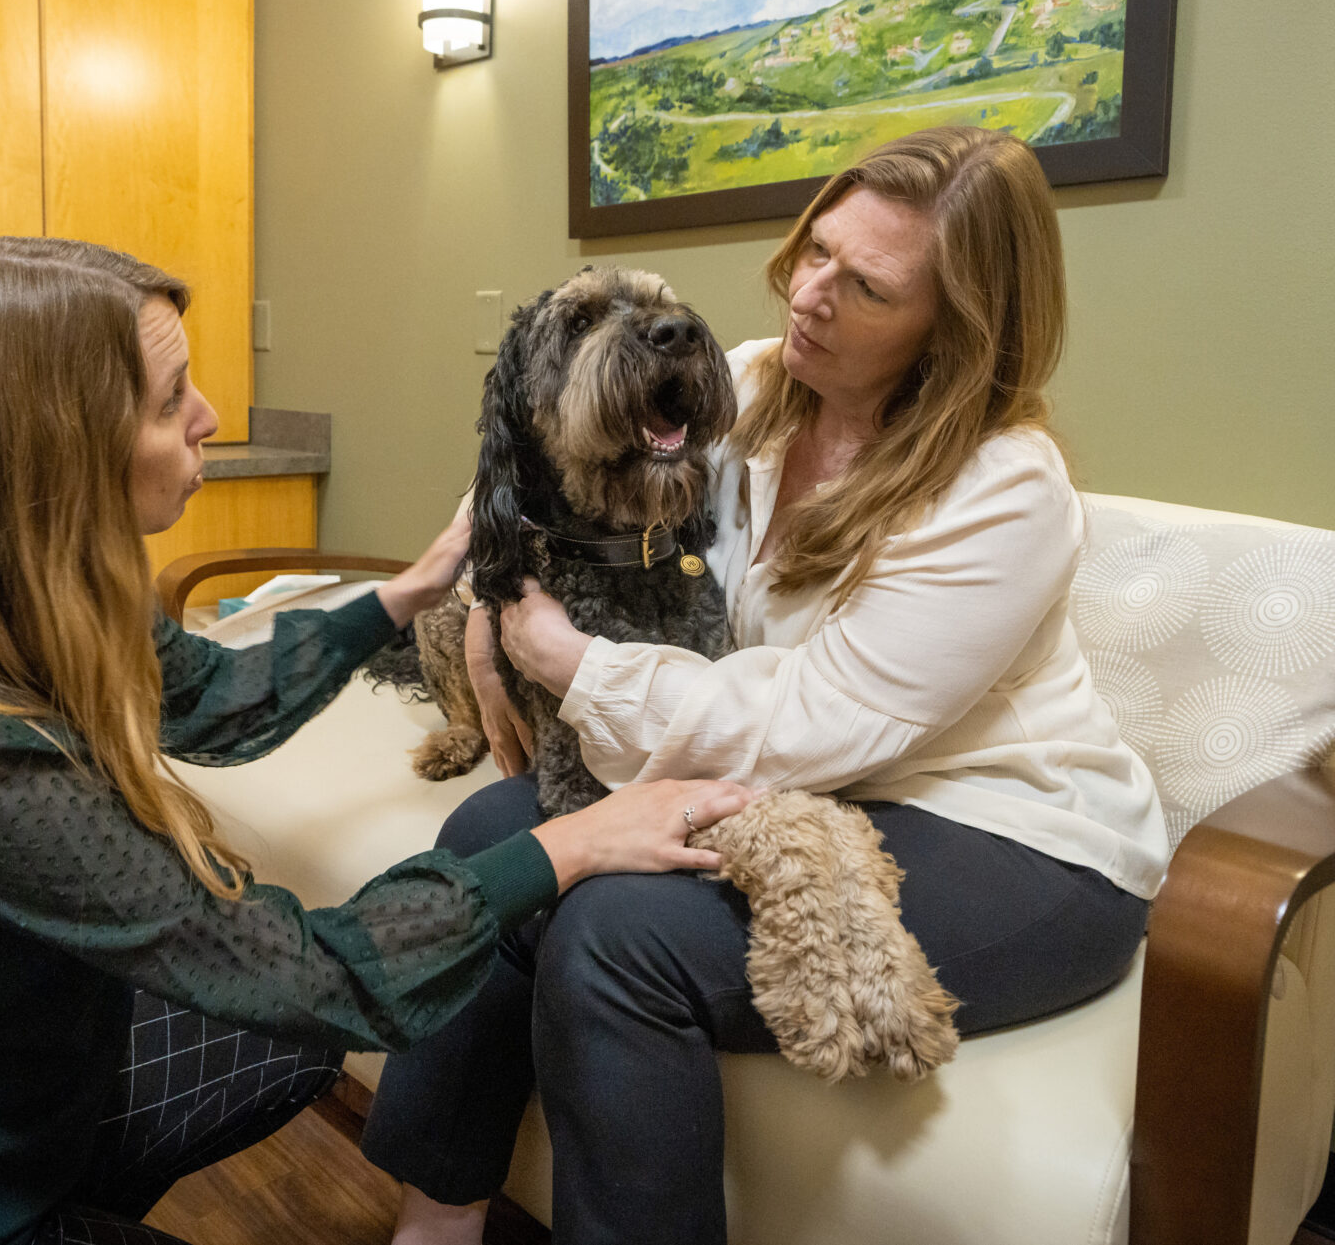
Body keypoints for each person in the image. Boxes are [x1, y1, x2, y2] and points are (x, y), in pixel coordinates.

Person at [0, 235, 751, 1245]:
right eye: (166, 400)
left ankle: (78, 1190)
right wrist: (572, 842)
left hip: (6, 1104)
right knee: (301, 1008)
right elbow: (306, 973)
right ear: (53, 449)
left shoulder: (36, 601)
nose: (208, 416)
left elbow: (210, 695)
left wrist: (408, 591)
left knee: (285, 1053)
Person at [361, 127, 1169, 1245]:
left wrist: (572, 663)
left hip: (1009, 831)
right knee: (491, 839)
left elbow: (813, 723)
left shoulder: (1006, 490)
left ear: (959, 330)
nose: (812, 295)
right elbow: (539, 443)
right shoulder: (757, 384)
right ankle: (436, 1221)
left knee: (615, 929)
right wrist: (496, 606)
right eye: (815, 251)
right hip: (814, 790)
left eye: (868, 286)